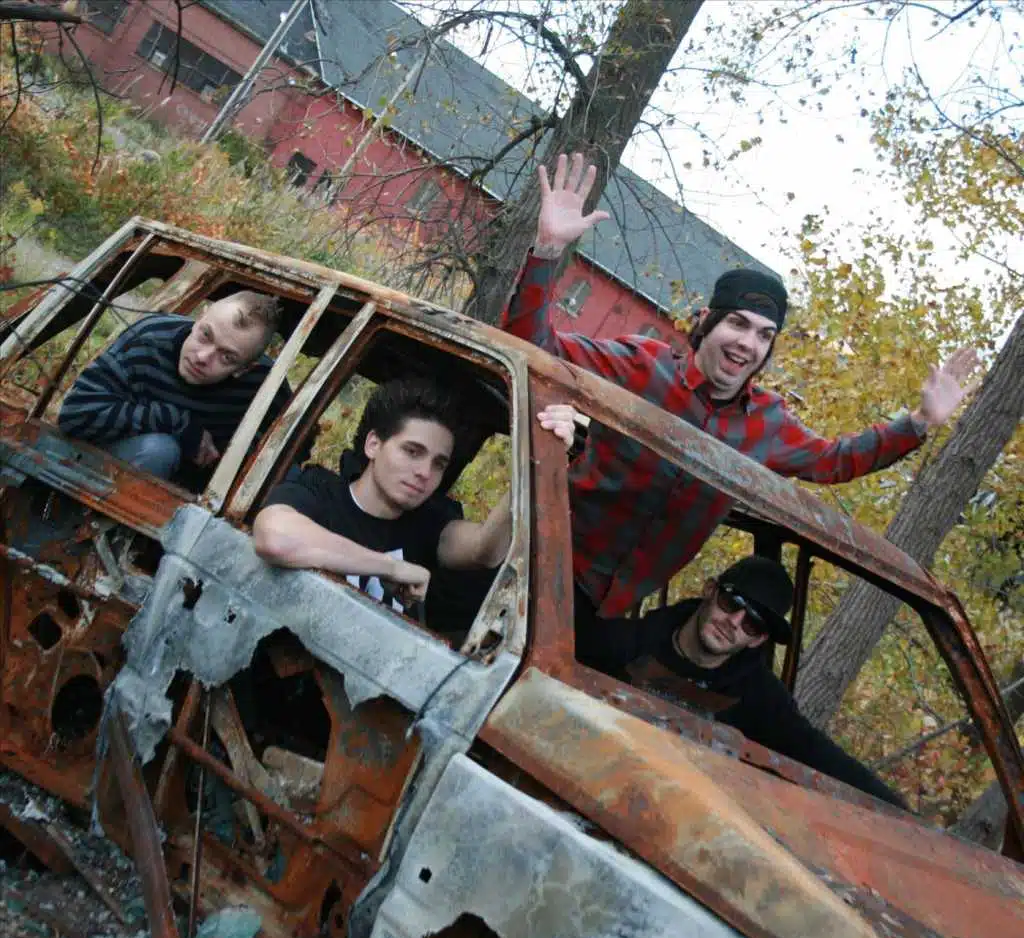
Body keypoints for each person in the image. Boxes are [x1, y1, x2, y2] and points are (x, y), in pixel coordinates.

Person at [502, 152, 979, 656]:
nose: (747, 343)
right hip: (536, 564)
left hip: (610, 614)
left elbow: (835, 461)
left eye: (764, 335)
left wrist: (919, 421)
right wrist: (547, 250)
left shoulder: (769, 425)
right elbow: (533, 349)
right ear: (705, 321)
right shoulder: (643, 367)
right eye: (738, 324)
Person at [581, 554, 907, 808]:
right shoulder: (624, 642)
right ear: (710, 590)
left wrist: (900, 814)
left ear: (758, 639)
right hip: (590, 780)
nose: (734, 623)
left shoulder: (757, 696)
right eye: (731, 604)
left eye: (752, 623)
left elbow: (813, 750)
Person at [252, 377, 575, 609]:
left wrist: (538, 459)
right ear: (373, 444)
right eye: (412, 451)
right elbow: (276, 538)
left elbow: (485, 550)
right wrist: (390, 567)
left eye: (438, 463)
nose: (425, 472)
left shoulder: (430, 523)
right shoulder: (319, 490)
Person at [59, 291, 291, 487]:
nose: (202, 357)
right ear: (199, 318)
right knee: (159, 450)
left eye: (227, 357)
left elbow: (280, 461)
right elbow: (74, 415)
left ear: (245, 369)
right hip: (101, 471)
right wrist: (179, 423)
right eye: (206, 335)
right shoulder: (148, 338)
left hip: (193, 498)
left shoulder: (266, 386)